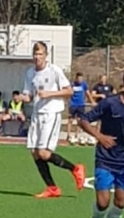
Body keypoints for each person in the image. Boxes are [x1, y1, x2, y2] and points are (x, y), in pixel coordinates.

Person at [78, 67, 124, 218]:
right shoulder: (110, 103)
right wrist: (99, 136)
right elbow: (83, 120)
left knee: (120, 202)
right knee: (103, 202)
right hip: (106, 158)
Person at [20, 41, 85, 199]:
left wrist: (49, 94)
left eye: (40, 54)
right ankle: (52, 188)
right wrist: (23, 97)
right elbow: (29, 96)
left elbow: (68, 91)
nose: (37, 57)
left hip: (51, 113)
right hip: (37, 114)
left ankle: (75, 169)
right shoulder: (30, 73)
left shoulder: (54, 70)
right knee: (35, 153)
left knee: (43, 153)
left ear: (46, 55)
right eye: (35, 54)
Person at [68, 72, 89, 144]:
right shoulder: (72, 84)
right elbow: (68, 92)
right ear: (76, 78)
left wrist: (92, 101)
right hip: (73, 104)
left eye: (81, 78)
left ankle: (76, 135)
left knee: (79, 120)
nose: (80, 80)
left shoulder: (84, 84)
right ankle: (68, 135)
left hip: (81, 104)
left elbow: (87, 93)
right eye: (79, 78)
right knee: (70, 120)